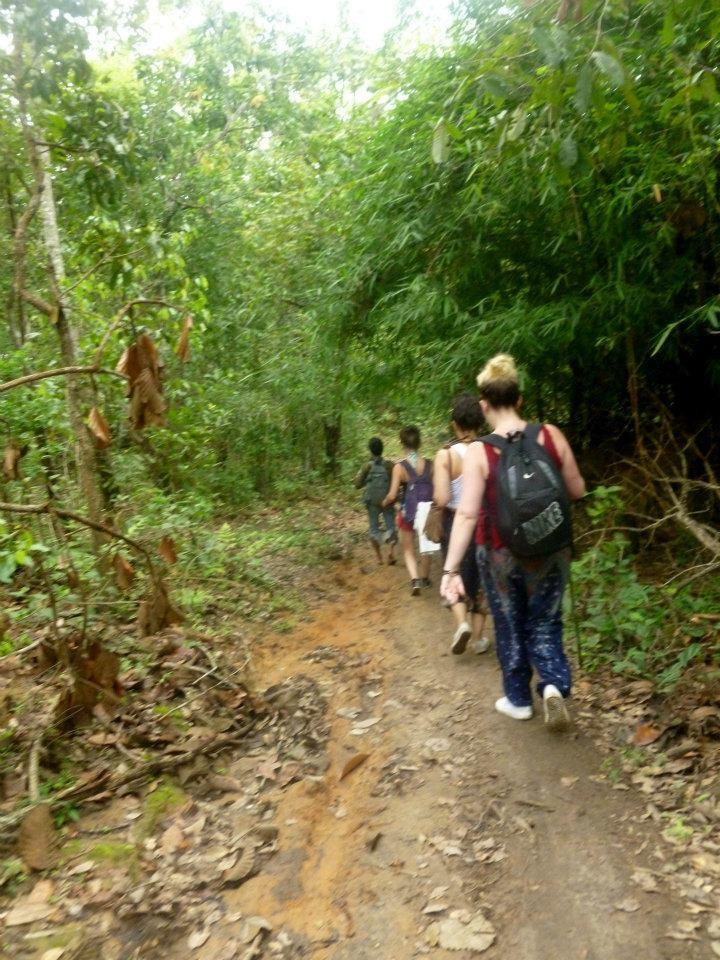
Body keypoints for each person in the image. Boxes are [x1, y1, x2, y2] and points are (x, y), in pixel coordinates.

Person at [440, 354, 586, 730]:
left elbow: (468, 514)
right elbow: (576, 489)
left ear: (484, 405)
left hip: (499, 553)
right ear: (519, 399)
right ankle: (553, 685)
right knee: (547, 619)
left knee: (509, 621)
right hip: (552, 547)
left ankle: (519, 699)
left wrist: (451, 568)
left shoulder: (479, 451)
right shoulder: (551, 435)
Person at [432, 394, 491, 656]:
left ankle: (461, 624)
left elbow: (442, 498)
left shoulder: (445, 455)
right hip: (486, 522)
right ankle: (478, 639)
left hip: (455, 521)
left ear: (454, 423)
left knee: (454, 572)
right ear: (480, 422)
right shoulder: (490, 450)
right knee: (482, 581)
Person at [382, 425, 440, 596]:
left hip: (409, 512)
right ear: (420, 443)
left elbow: (393, 495)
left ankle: (414, 580)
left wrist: (384, 502)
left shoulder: (399, 467)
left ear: (402, 443)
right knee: (426, 545)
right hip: (427, 510)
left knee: (408, 548)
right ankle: (425, 578)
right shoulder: (430, 465)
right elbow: (437, 489)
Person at [353, 437, 397, 565]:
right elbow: (397, 481)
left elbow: (357, 484)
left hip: (372, 502)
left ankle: (379, 557)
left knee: (374, 529)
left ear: (370, 450)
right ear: (382, 449)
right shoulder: (389, 465)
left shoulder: (367, 466)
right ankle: (391, 553)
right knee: (391, 527)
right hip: (387, 500)